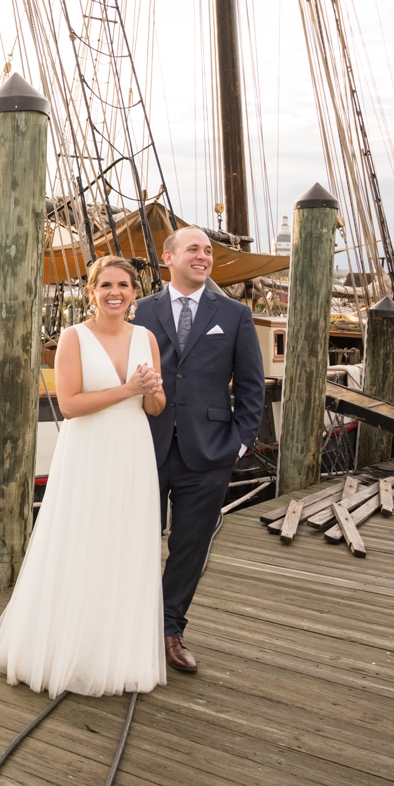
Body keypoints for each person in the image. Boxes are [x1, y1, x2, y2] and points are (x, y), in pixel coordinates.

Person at [0, 255, 168, 698]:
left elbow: (155, 408)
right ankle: (63, 649)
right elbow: (69, 405)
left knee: (124, 544)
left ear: (134, 292)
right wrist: (129, 388)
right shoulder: (73, 338)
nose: (115, 292)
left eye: (124, 285)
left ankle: (113, 652)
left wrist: (153, 392)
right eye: (105, 284)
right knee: (82, 538)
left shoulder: (147, 338)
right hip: (88, 450)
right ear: (91, 292)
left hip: (133, 450)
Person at [134, 227, 264, 674]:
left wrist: (240, 444)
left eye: (208, 251)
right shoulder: (141, 310)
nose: (203, 256)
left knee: (190, 545)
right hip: (144, 446)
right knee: (135, 540)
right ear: (168, 257)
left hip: (208, 452)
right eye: (194, 249)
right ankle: (130, 626)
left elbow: (250, 386)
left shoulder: (234, 314)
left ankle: (171, 629)